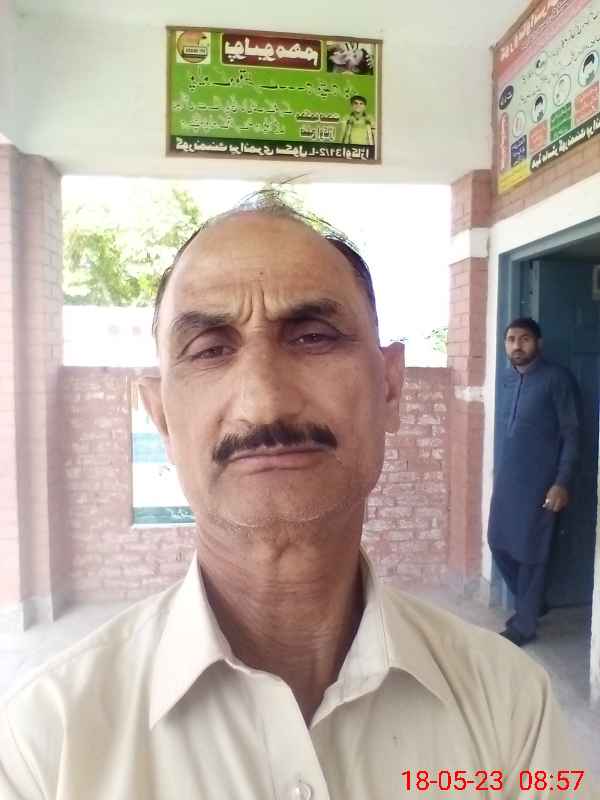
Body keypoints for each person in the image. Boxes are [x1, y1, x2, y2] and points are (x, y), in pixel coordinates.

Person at [0, 197, 594, 799]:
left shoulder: (512, 707)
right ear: (161, 419)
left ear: (390, 388)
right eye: (209, 348)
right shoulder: (41, 751)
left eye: (313, 337)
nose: (264, 401)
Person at [488, 317, 580, 647]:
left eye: (524, 339)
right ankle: (533, 602)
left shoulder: (556, 379)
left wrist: (561, 482)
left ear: (538, 343)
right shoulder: (506, 380)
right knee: (498, 542)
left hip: (542, 484)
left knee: (532, 553)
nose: (517, 345)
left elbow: (572, 434)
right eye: (511, 339)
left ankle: (524, 625)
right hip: (508, 481)